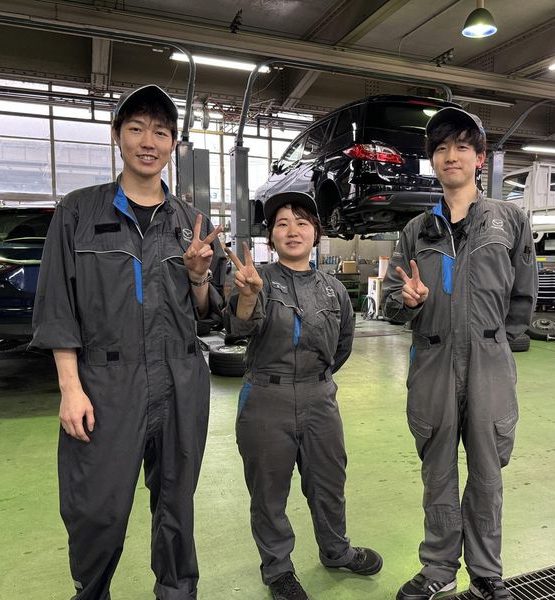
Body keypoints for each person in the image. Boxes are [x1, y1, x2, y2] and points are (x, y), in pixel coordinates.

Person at [32, 84, 225, 600]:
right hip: (105, 384)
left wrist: (199, 276)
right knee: (97, 507)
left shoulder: (190, 223)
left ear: (173, 144)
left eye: (160, 132)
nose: (148, 142)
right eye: (136, 128)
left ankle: (177, 591)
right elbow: (57, 306)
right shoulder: (78, 212)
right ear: (117, 136)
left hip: (180, 381)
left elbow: (209, 313)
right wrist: (70, 388)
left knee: (177, 505)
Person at [382, 107, 538, 600]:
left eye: (462, 147)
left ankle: (487, 574)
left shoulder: (510, 220)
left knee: (488, 473)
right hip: (433, 362)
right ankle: (439, 568)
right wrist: (407, 303)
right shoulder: (416, 230)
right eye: (442, 148)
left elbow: (524, 294)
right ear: (433, 160)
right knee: (438, 472)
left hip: (489, 361)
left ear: (479, 158)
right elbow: (391, 302)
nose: (451, 156)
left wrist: (498, 344)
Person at [222, 191, 382, 600]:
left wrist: (314, 381)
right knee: (269, 491)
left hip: (319, 398)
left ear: (316, 234)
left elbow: (342, 346)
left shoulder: (334, 290)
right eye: (282, 224)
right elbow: (237, 330)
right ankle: (278, 569)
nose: (292, 231)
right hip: (266, 398)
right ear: (271, 237)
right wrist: (247, 296)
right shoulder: (255, 279)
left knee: (329, 482)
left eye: (302, 222)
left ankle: (336, 550)